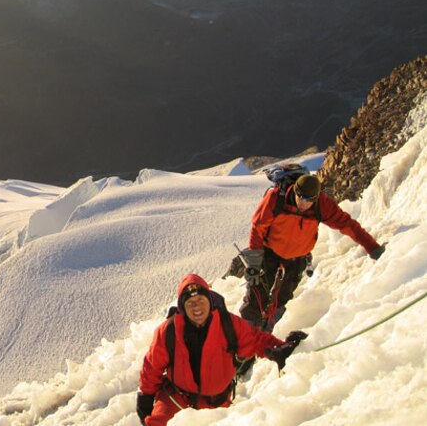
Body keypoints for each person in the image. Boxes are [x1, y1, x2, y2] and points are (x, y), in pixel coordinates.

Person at [136, 274, 305, 426]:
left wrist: (278, 348)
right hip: (177, 398)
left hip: (216, 404)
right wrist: (146, 396)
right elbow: (152, 366)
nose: (197, 308)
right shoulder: (169, 331)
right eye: (190, 303)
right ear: (182, 308)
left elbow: (256, 339)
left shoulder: (228, 324)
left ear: (210, 301)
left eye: (201, 300)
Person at [239, 173, 385, 332]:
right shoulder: (276, 199)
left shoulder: (322, 205)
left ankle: (269, 332)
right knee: (256, 294)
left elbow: (347, 224)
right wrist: (254, 263)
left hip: (297, 257)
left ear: (316, 198)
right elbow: (258, 228)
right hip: (270, 252)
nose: (303, 204)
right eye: (300, 197)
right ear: (294, 190)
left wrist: (372, 247)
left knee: (283, 297)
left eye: (309, 200)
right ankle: (246, 336)